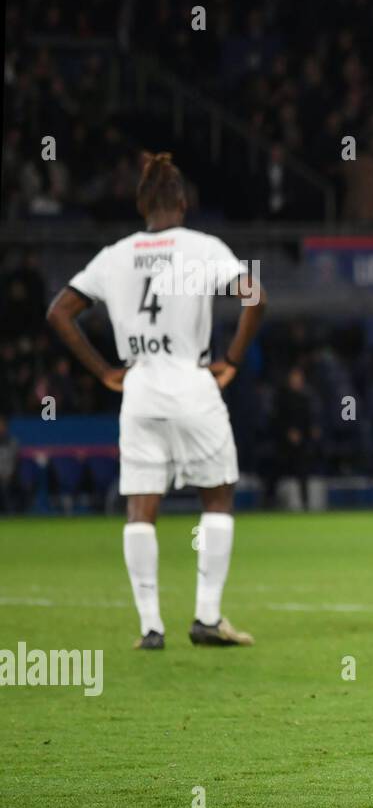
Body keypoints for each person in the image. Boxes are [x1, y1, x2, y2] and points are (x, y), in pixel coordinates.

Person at [46, 152, 266, 650]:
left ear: (142, 205)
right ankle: (207, 617)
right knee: (218, 494)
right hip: (192, 383)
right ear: (183, 202)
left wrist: (104, 370)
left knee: (141, 507)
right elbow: (256, 297)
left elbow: (59, 312)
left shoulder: (114, 255)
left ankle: (150, 628)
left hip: (139, 388)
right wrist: (231, 358)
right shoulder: (203, 248)